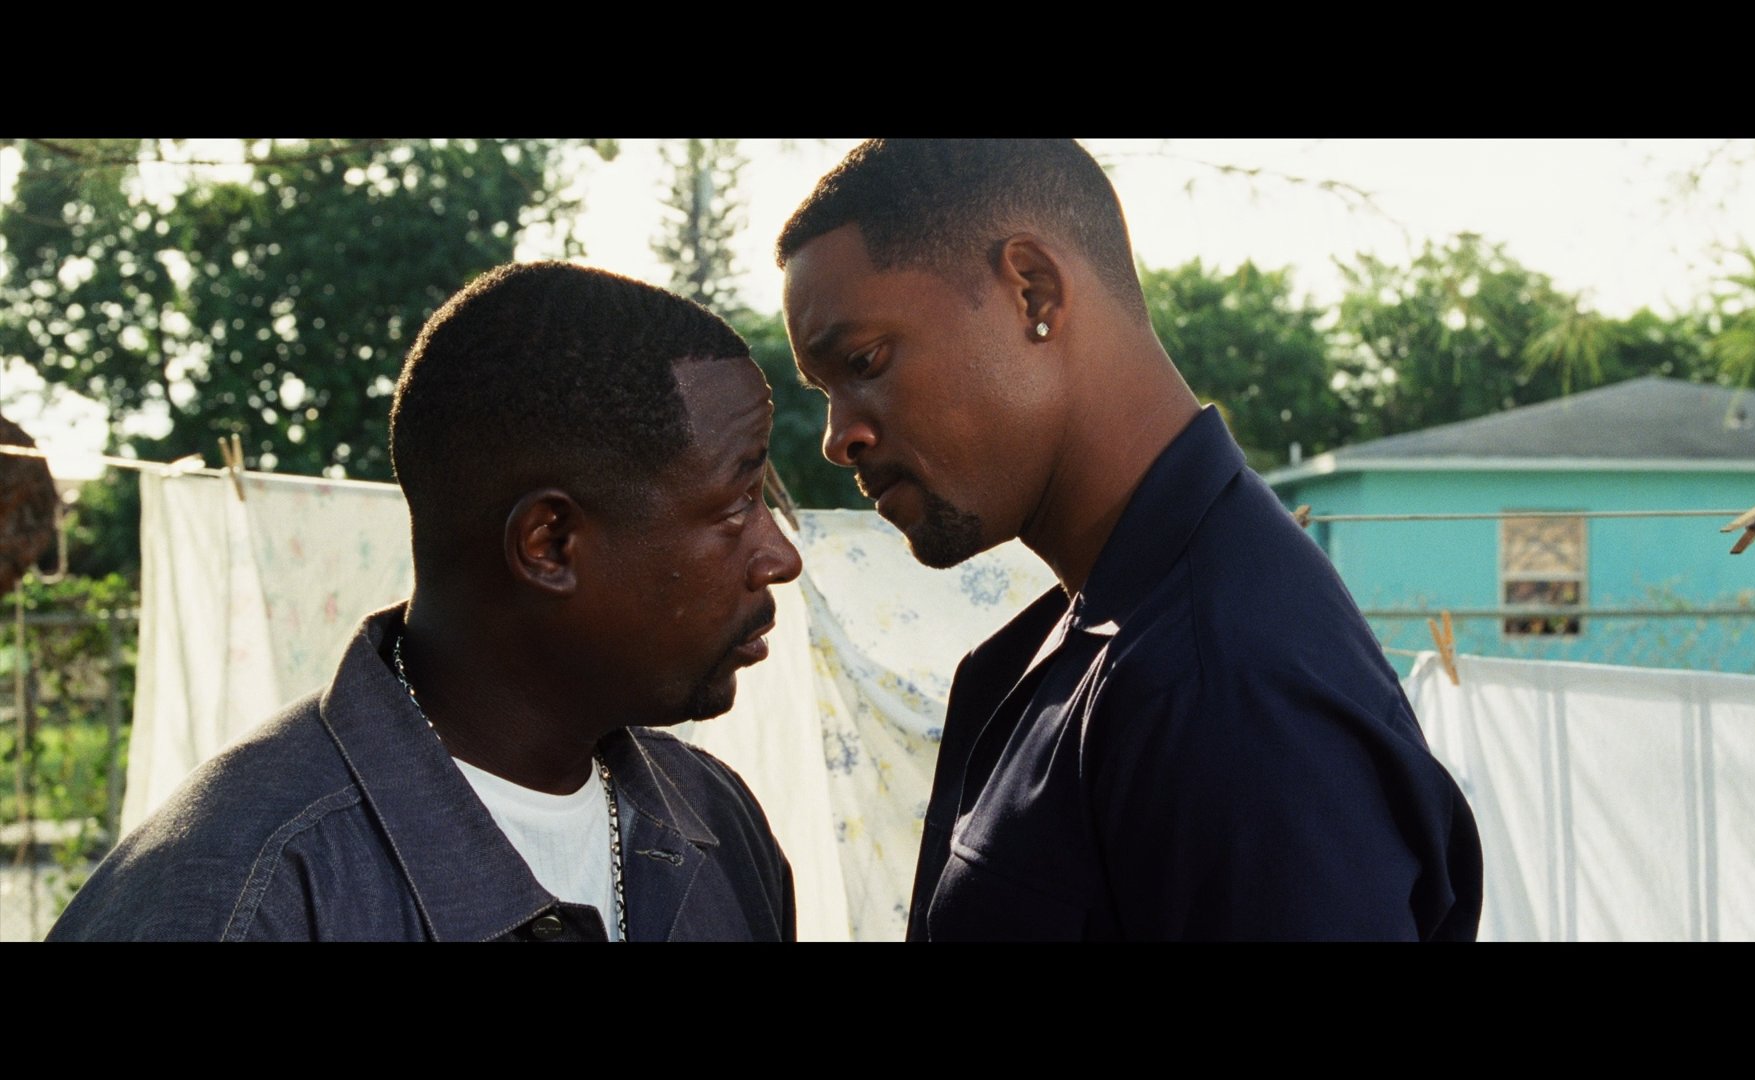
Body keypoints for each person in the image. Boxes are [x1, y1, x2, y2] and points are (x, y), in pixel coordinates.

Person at [778, 139, 1482, 941]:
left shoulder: (1228, 684)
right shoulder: (1094, 637)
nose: (839, 437)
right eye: (826, 390)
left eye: (864, 361)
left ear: (1033, 291)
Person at [50, 262, 803, 942]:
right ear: (549, 545)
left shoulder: (716, 822)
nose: (780, 557)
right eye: (739, 503)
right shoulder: (242, 898)